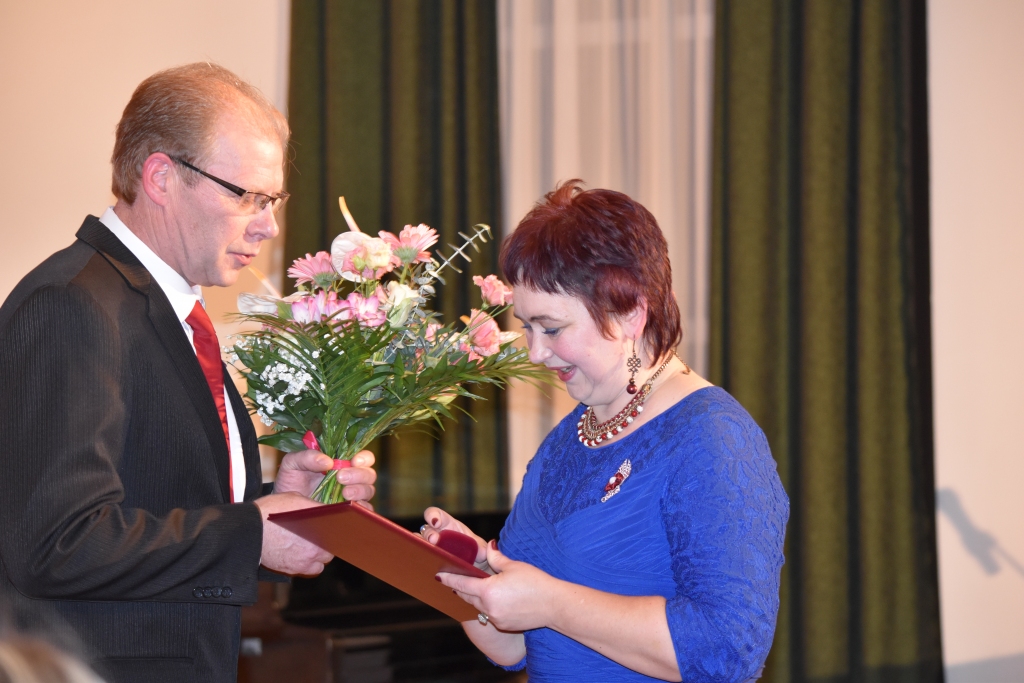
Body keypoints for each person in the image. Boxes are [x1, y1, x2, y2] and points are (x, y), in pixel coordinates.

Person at [0, 63, 377, 683]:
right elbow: (56, 542)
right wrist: (252, 532)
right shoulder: (73, 304)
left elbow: (159, 503)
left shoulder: (163, 308)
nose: (269, 225)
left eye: (273, 201)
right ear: (161, 177)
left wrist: (275, 504)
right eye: (246, 196)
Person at [421, 181, 789, 682]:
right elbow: (513, 648)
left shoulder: (713, 437)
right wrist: (474, 579)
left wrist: (551, 602)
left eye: (552, 328)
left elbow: (727, 651)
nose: (535, 353)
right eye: (526, 327)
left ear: (630, 312)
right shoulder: (567, 441)